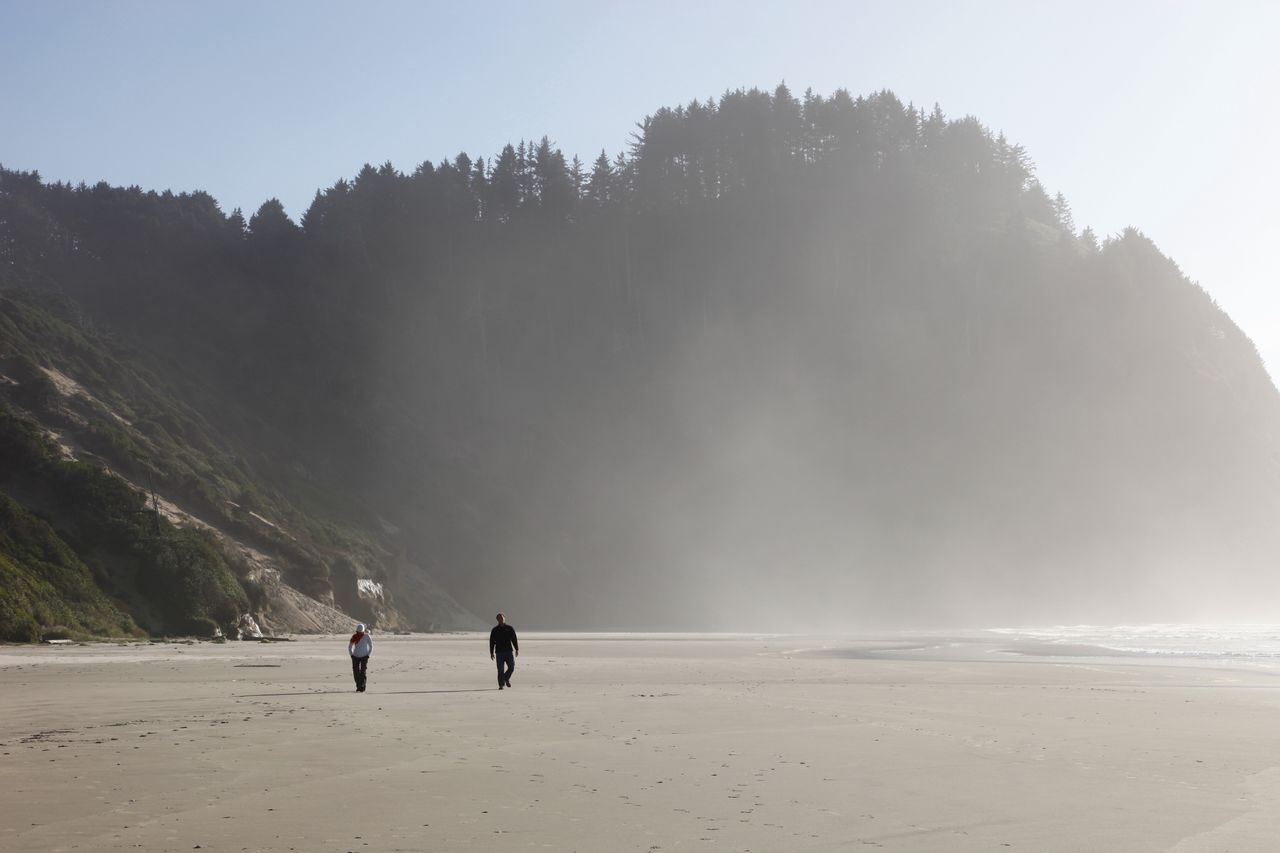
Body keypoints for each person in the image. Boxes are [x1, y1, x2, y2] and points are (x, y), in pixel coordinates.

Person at [489, 612, 518, 689]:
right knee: (500, 669)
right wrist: (491, 652)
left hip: (508, 651)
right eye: (499, 618)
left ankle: (505, 678)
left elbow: (514, 639)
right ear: (497, 620)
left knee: (511, 667)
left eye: (502, 618)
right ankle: (501, 685)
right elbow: (492, 642)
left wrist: (517, 649)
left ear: (504, 618)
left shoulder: (509, 628)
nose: (501, 619)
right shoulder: (495, 630)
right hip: (499, 653)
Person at [348, 622, 372, 692]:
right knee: (356, 672)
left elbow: (371, 646)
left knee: (362, 672)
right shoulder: (354, 636)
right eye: (358, 632)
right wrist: (351, 655)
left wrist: (368, 655)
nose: (359, 633)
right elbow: (350, 646)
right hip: (355, 656)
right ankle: (359, 686)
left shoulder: (367, 636)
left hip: (364, 656)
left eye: (360, 632)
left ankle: (362, 686)